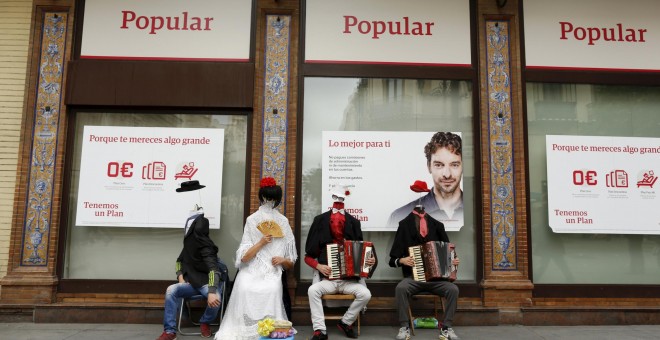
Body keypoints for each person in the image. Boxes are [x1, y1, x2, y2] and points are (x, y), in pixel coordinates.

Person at [215, 177, 297, 340]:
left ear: (277, 200)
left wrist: (281, 260)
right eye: (267, 198)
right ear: (261, 197)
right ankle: (245, 327)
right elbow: (244, 258)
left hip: (272, 270)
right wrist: (261, 242)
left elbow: (291, 261)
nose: (269, 202)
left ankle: (268, 328)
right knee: (244, 286)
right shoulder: (252, 220)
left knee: (272, 289)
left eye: (273, 199)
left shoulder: (283, 222)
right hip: (252, 268)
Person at [388, 185, 461, 340]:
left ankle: (446, 328)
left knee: (453, 289)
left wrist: (454, 261)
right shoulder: (404, 225)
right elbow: (392, 260)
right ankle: (404, 327)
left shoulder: (438, 226)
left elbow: (450, 253)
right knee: (401, 288)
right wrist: (402, 260)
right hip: (413, 279)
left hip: (436, 280)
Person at [305, 185, 376, 340]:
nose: (339, 200)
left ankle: (345, 322)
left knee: (366, 294)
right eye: (336, 197)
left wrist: (370, 261)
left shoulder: (354, 223)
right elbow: (307, 257)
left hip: (349, 281)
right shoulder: (319, 220)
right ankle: (320, 330)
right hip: (328, 280)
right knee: (312, 290)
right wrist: (318, 266)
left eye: (341, 198)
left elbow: (363, 253)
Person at [158, 180, 222, 340]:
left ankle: (205, 322)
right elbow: (179, 260)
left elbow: (214, 270)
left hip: (207, 284)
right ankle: (170, 331)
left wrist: (212, 292)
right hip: (190, 283)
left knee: (217, 299)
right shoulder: (189, 244)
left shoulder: (206, 247)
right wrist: (180, 276)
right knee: (171, 290)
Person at [386, 131, 464, 231]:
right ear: (429, 166)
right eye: (439, 165)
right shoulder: (400, 216)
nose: (447, 174)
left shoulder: (476, 212)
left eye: (454, 165)